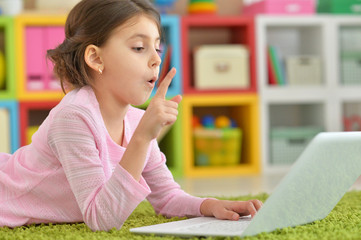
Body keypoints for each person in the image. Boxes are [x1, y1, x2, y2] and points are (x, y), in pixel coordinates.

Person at [0, 0, 262, 231]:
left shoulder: (136, 121)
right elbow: (101, 219)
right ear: (95, 58)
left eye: (157, 49)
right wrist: (141, 138)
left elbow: (168, 197)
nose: (156, 60)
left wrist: (211, 205)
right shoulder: (74, 116)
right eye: (139, 47)